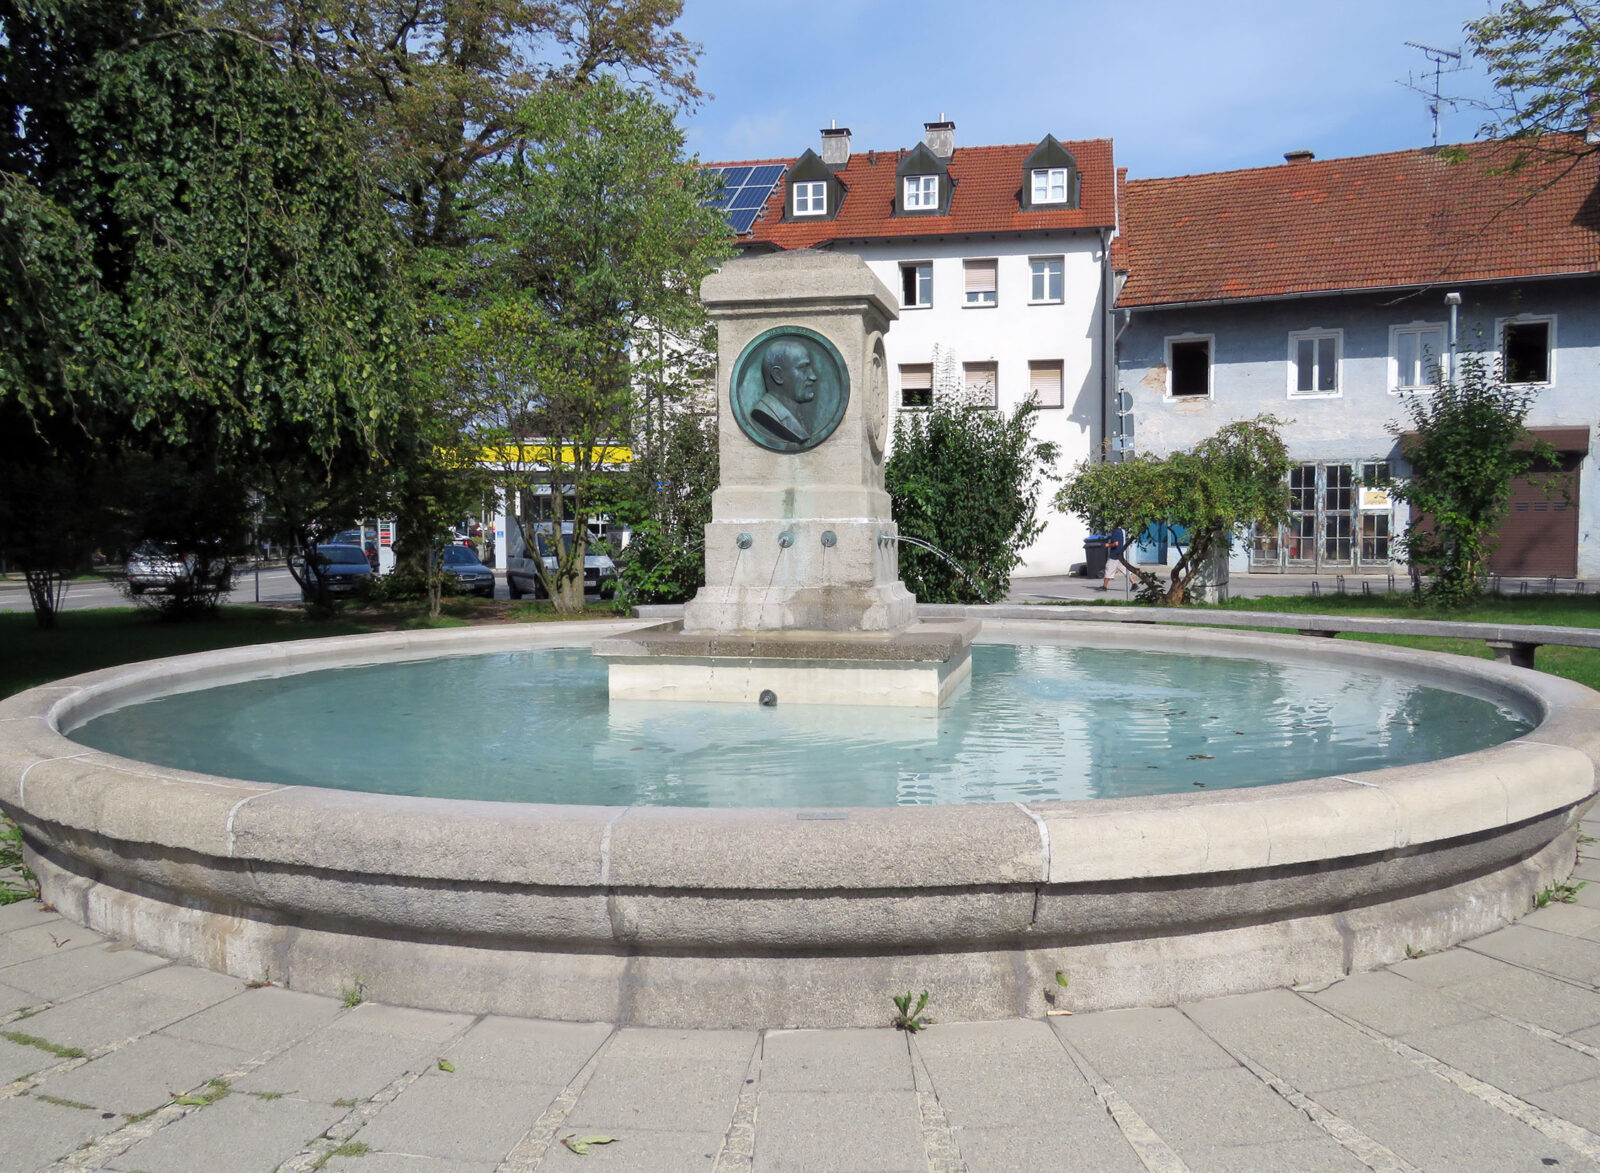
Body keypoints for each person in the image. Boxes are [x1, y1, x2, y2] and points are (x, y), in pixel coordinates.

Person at [749, 338, 818, 444]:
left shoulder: (798, 415)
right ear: (778, 375)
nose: (813, 377)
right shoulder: (767, 415)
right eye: (803, 369)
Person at [1098, 525, 1128, 591]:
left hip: (1114, 555)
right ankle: (1134, 584)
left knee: (1108, 568)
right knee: (1125, 570)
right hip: (1119, 554)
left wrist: (1107, 545)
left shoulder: (1115, 532)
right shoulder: (1120, 531)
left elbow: (1116, 543)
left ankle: (1104, 587)